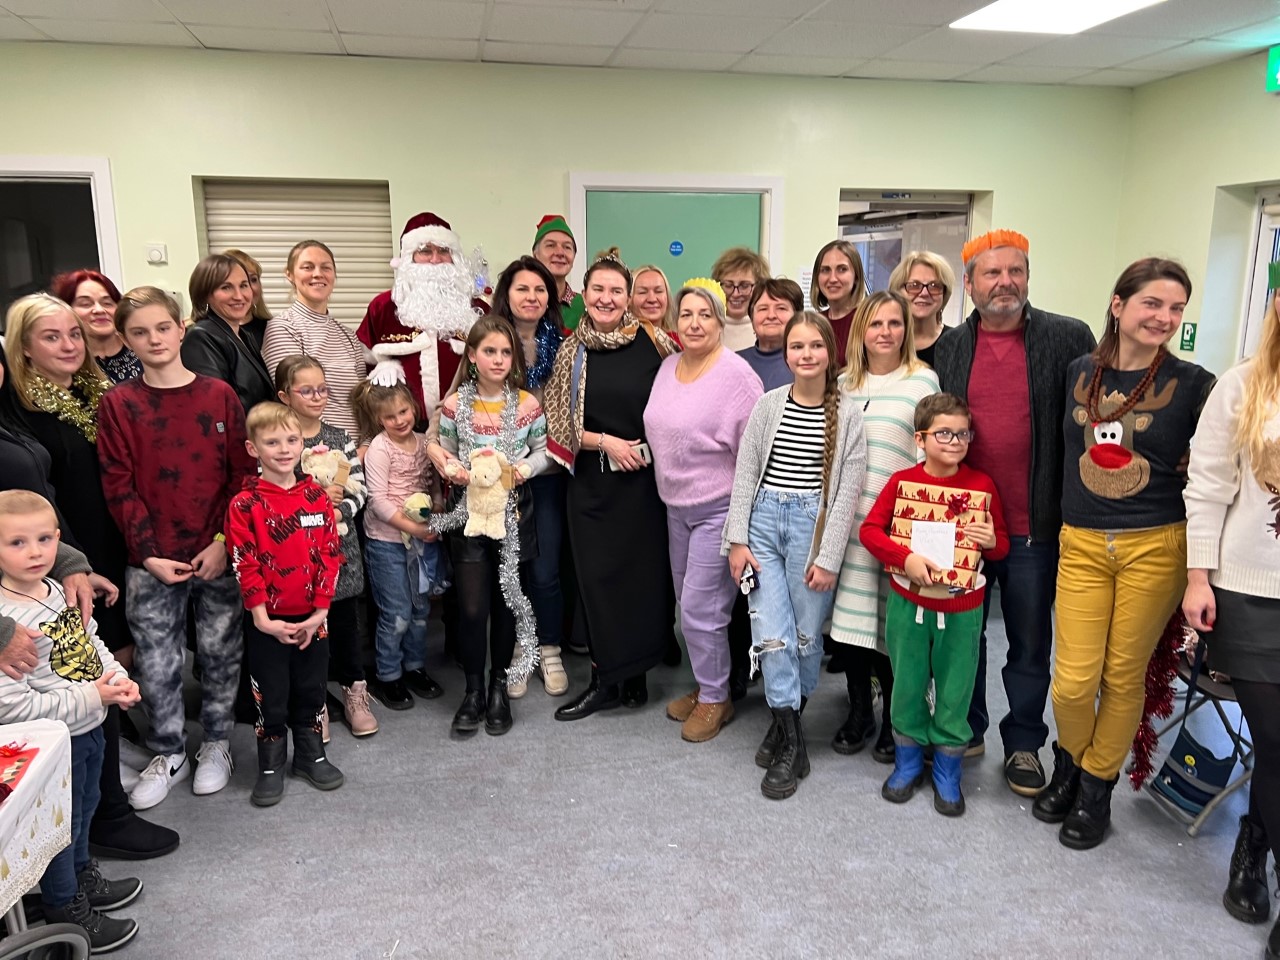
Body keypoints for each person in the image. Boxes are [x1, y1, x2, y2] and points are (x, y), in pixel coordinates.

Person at [1035, 259, 1215, 848]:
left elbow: (1214, 472)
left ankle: (1093, 786)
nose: (1164, 317)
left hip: (1154, 544)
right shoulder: (1078, 372)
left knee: (1121, 676)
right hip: (1082, 540)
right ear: (1118, 305)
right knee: (1072, 681)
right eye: (1152, 304)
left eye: (1176, 308)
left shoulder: (1195, 385)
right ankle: (1071, 760)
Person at [0, 315, 178, 863]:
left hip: (57, 560)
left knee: (89, 665)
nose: (68, 344)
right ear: (21, 349)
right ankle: (80, 847)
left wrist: (70, 558)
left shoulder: (52, 407)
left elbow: (44, 493)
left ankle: (100, 819)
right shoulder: (23, 410)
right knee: (53, 707)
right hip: (24, 583)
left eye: (72, 333)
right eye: (50, 336)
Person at [932, 229, 1097, 796]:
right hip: (961, 523)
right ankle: (968, 727)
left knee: (1029, 641)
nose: (1005, 283)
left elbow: (1095, 416)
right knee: (964, 634)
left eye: (1015, 271)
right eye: (991, 273)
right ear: (971, 284)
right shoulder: (952, 346)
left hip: (1034, 524)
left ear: (1027, 276)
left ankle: (1024, 742)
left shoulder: (1067, 336)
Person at [97, 286, 255, 810]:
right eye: (139, 333)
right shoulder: (119, 405)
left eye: (162, 328)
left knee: (220, 652)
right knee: (158, 661)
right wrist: (146, 554)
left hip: (215, 551)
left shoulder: (219, 397)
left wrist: (221, 542)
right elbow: (118, 483)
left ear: (180, 328)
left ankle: (215, 743)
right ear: (125, 340)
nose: (153, 339)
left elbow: (240, 475)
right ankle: (168, 750)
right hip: (151, 558)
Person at [726, 311, 868, 799]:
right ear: (785, 354)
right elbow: (746, 475)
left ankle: (786, 723)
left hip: (813, 529)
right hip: (764, 523)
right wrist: (737, 540)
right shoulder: (768, 406)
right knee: (770, 633)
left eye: (815, 346)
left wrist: (828, 557)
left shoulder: (848, 416)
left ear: (832, 353)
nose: (806, 356)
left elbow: (846, 493)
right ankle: (792, 742)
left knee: (806, 637)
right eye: (797, 347)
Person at [1183, 261, 1280, 954]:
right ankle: (1258, 850)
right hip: (1249, 591)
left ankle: (1255, 834)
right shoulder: (1243, 384)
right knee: (1277, 739)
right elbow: (1209, 486)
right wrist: (1198, 579)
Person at [0, 490, 142, 952]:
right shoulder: (6, 621)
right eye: (17, 543)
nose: (35, 552)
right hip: (50, 743)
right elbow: (16, 710)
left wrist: (117, 680)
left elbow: (91, 645)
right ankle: (64, 905)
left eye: (44, 539)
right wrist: (91, 696)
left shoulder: (61, 588)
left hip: (87, 727)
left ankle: (81, 877)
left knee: (85, 807)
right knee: (57, 826)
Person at [544, 248, 679, 720]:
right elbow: (557, 425)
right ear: (585, 294)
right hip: (594, 488)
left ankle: (635, 676)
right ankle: (605, 679)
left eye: (615, 291)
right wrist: (607, 443)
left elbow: (679, 405)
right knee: (598, 582)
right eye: (597, 289)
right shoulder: (571, 350)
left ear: (628, 298)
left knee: (642, 581)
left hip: (644, 489)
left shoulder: (657, 342)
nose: (606, 298)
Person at [860, 394, 1009, 816]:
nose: (956, 441)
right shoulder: (902, 482)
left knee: (956, 688)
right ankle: (908, 762)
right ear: (921, 438)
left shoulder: (981, 486)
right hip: (909, 605)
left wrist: (992, 542)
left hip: (963, 610)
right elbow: (872, 530)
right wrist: (903, 557)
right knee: (906, 682)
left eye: (963, 433)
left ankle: (947, 769)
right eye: (945, 433)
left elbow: (998, 547)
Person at [428, 257, 569, 698]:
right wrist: (443, 460)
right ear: (506, 293)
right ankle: (504, 664)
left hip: (537, 477)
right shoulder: (489, 339)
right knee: (495, 584)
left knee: (540, 572)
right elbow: (445, 424)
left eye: (540, 290)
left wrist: (527, 466)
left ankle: (545, 650)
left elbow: (559, 427)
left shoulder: (562, 346)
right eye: (522, 289)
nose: (531, 297)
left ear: (552, 297)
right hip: (480, 490)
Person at [645, 280, 762, 742]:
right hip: (675, 507)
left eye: (705, 315)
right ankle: (706, 684)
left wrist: (740, 529)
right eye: (686, 314)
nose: (694, 323)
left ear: (720, 321)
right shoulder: (669, 365)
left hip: (719, 509)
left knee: (702, 608)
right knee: (686, 605)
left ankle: (716, 699)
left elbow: (755, 455)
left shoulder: (736, 377)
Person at [829, 291, 939, 762]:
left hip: (898, 525)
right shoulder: (842, 384)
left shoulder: (922, 381)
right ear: (861, 332)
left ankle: (898, 719)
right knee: (851, 626)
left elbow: (929, 454)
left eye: (895, 323)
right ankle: (859, 712)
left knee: (894, 631)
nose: (886, 332)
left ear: (906, 331)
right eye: (876, 324)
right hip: (848, 521)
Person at [227, 402, 345, 806]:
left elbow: (331, 553)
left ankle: (311, 754)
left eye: (291, 440)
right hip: (267, 621)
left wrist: (321, 612)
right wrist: (261, 617)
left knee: (312, 689)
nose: (283, 448)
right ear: (252, 447)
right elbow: (246, 561)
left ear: (303, 443)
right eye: (271, 441)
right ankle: (271, 763)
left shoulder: (316, 496)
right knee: (271, 692)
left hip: (315, 617)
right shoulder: (245, 504)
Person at [436, 316, 549, 735]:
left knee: (506, 603)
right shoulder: (455, 406)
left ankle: (499, 686)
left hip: (514, 512)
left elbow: (543, 451)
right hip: (468, 514)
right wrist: (453, 469)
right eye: (489, 351)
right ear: (472, 356)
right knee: (471, 608)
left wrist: (524, 468)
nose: (498, 359)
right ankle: (472, 689)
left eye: (506, 352)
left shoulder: (526, 404)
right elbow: (445, 450)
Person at [274, 354, 376, 738]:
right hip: (296, 552)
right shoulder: (280, 441)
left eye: (322, 389)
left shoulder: (339, 439)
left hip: (340, 545)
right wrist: (308, 497)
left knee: (347, 624)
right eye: (306, 390)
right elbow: (266, 492)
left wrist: (339, 504)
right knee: (310, 630)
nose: (317, 397)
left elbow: (359, 488)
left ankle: (355, 693)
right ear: (285, 395)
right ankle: (314, 702)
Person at [350, 377, 444, 710]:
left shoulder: (423, 442)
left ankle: (414, 667)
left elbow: (431, 483)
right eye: (390, 417)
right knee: (397, 613)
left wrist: (436, 507)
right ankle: (388, 674)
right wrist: (413, 529)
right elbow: (377, 502)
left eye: (404, 411)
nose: (400, 420)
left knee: (420, 610)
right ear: (379, 420)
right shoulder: (379, 449)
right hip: (387, 543)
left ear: (414, 408)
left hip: (421, 542)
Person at [358, 212, 486, 424]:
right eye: (425, 251)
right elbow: (361, 363)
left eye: (443, 251)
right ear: (409, 258)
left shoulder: (477, 310)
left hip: (466, 427)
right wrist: (382, 368)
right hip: (402, 431)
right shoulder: (383, 307)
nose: (435, 260)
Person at [262, 240, 367, 441]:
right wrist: (337, 450)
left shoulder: (348, 335)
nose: (318, 274)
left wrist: (366, 445)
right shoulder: (283, 328)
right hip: (317, 453)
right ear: (290, 275)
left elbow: (364, 402)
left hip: (358, 454)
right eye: (307, 267)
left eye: (325, 267)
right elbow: (298, 402)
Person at [181, 254, 275, 412]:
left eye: (244, 285)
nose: (239, 296)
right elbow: (215, 407)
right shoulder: (201, 337)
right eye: (226, 287)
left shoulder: (244, 335)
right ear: (205, 294)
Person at [50, 270, 140, 383]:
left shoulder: (142, 352)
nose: (99, 310)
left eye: (107, 303)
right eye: (85, 304)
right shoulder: (65, 361)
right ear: (67, 310)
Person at [888, 251, 956, 369]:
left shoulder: (957, 343)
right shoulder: (884, 341)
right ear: (897, 292)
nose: (924, 293)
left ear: (944, 294)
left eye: (934, 286)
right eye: (914, 285)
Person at [740, 278, 804, 392]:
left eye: (781, 308)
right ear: (751, 317)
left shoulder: (809, 361)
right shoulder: (736, 362)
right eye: (763, 309)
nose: (771, 315)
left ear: (797, 317)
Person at [810, 240, 867, 367]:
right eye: (825, 270)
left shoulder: (868, 321)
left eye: (842, 269)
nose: (833, 278)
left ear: (856, 276)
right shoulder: (813, 324)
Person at [711, 247, 770, 353]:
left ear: (760, 287)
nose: (736, 294)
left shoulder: (770, 329)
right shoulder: (705, 328)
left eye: (745, 285)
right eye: (728, 285)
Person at [532, 215, 584, 333]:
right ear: (535, 255)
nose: (560, 253)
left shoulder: (584, 306)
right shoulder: (524, 302)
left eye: (567, 247)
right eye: (550, 245)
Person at [224, 248, 273, 352]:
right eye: (230, 283)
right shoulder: (205, 333)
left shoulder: (274, 330)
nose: (247, 289)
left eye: (253, 280)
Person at [630, 265, 677, 334]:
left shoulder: (680, 342)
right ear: (628, 300)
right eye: (642, 292)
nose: (652, 299)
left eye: (658, 291)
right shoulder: (618, 342)